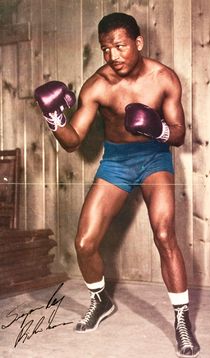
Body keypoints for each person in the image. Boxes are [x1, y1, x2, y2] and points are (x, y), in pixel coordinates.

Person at [34, 12, 200, 358]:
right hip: (116, 163)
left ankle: (181, 318)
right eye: (105, 49)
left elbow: (180, 134)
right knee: (84, 242)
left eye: (120, 46)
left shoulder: (163, 78)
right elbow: (73, 141)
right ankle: (101, 300)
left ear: (138, 43)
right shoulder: (97, 85)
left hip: (155, 158)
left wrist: (160, 131)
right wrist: (54, 120)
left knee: (165, 233)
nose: (112, 56)